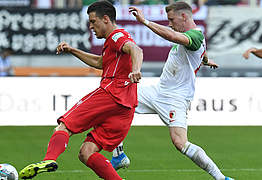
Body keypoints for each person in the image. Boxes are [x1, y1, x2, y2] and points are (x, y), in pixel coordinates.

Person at [18, 1, 143, 179]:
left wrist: (136, 69)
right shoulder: (113, 41)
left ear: (106, 19)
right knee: (87, 152)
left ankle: (49, 159)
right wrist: (72, 50)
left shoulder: (116, 36)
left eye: (93, 21)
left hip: (111, 93)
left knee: (64, 125)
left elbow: (136, 50)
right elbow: (99, 63)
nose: (90, 26)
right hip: (127, 106)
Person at [111, 2, 234, 180]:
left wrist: (145, 21)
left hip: (175, 98)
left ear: (184, 16)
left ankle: (221, 178)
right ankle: (119, 155)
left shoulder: (195, 35)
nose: (170, 23)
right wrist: (206, 60)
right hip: (158, 90)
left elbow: (174, 37)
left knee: (180, 143)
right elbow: (198, 51)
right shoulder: (192, 37)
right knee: (116, 99)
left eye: (171, 19)